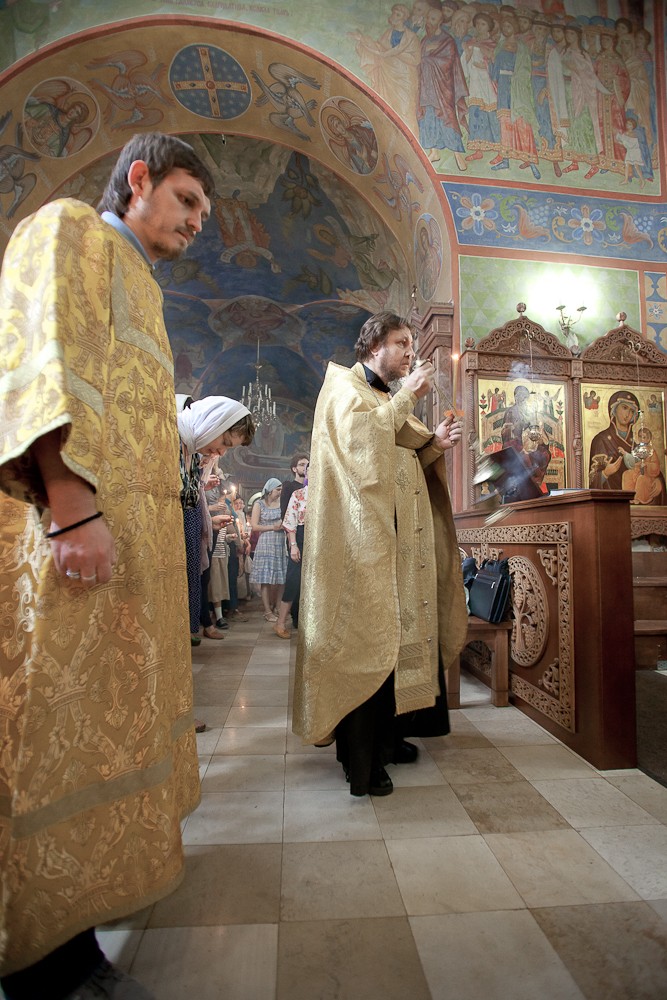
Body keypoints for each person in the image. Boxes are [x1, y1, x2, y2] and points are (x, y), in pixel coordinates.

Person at [0, 132, 214, 1000]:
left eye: (202, 212)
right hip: (77, 535)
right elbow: (47, 361)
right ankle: (44, 964)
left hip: (129, 551)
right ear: (138, 178)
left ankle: (80, 925)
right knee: (54, 732)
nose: (196, 222)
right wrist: (70, 503)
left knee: (101, 729)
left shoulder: (141, 279)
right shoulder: (71, 231)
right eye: (187, 200)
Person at [293, 312, 468, 797]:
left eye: (411, 343)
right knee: (365, 644)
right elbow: (363, 451)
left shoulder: (386, 398)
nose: (411, 352)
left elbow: (400, 455)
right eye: (401, 343)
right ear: (374, 347)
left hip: (399, 542)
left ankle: (387, 741)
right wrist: (409, 393)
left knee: (394, 643)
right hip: (361, 547)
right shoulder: (343, 388)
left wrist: (434, 445)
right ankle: (361, 759)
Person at [177, 396, 254, 644]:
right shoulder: (173, 441)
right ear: (212, 422)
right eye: (224, 443)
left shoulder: (192, 453)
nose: (221, 452)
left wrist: (208, 522)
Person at [250, 477, 288, 621]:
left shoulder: (282, 503)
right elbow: (254, 526)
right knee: (265, 578)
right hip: (265, 542)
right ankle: (267, 611)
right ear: (270, 490)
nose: (280, 492)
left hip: (280, 542)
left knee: (281, 578)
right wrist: (272, 527)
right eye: (278, 489)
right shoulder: (259, 504)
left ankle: (278, 606)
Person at [274, 482, 308, 639]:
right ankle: (280, 623)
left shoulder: (327, 492)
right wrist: (293, 545)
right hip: (301, 537)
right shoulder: (299, 494)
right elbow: (290, 521)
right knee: (293, 580)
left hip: (322, 541)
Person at [588, 389, 640, 490]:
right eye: (624, 408)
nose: (627, 414)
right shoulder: (601, 440)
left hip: (635, 497)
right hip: (610, 498)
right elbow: (591, 480)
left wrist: (658, 482)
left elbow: (652, 471)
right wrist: (605, 473)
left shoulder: (637, 442)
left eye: (632, 411)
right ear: (614, 409)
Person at [280, 452, 309, 519]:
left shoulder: (311, 487)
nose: (305, 467)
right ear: (294, 469)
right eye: (302, 464)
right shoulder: (289, 486)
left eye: (307, 465)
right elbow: (284, 510)